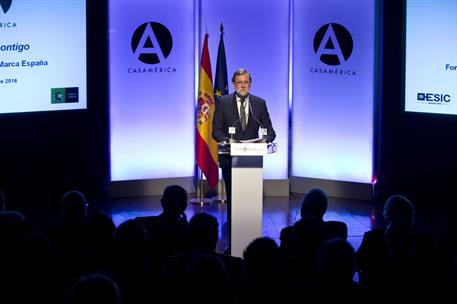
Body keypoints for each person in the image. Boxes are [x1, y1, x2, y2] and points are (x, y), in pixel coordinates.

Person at [212, 68, 276, 247]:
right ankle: (234, 241)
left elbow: (270, 130)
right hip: (230, 160)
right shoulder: (223, 102)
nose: (242, 85)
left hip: (252, 162)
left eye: (246, 82)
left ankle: (251, 238)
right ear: (234, 84)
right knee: (234, 199)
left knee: (250, 201)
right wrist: (228, 141)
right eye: (239, 82)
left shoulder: (259, 103)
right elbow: (215, 130)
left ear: (250, 83)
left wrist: (265, 140)